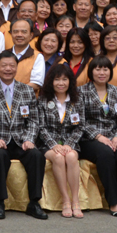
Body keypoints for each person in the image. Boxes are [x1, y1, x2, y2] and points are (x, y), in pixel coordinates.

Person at [0, 51, 48, 220]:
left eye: (12, 65)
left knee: (36, 156)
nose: (8, 69)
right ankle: (0, 203)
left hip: (21, 140)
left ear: (16, 67)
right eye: (4, 65)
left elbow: (34, 120)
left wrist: (29, 139)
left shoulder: (27, 90)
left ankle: (34, 202)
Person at [78, 56, 117, 216]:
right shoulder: (81, 92)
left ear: (110, 72)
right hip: (90, 139)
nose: (101, 73)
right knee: (105, 154)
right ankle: (114, 202)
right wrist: (98, 137)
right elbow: (80, 120)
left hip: (114, 136)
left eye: (105, 69)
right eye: (98, 69)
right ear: (91, 71)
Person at [40, 63, 85, 218]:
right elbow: (40, 127)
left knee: (71, 156)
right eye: (57, 79)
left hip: (70, 143)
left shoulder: (77, 100)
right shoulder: (43, 100)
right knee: (58, 158)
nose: (61, 83)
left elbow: (80, 126)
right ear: (51, 81)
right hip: (48, 144)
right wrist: (53, 145)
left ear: (70, 81)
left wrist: (69, 144)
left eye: (64, 79)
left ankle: (75, 200)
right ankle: (65, 200)